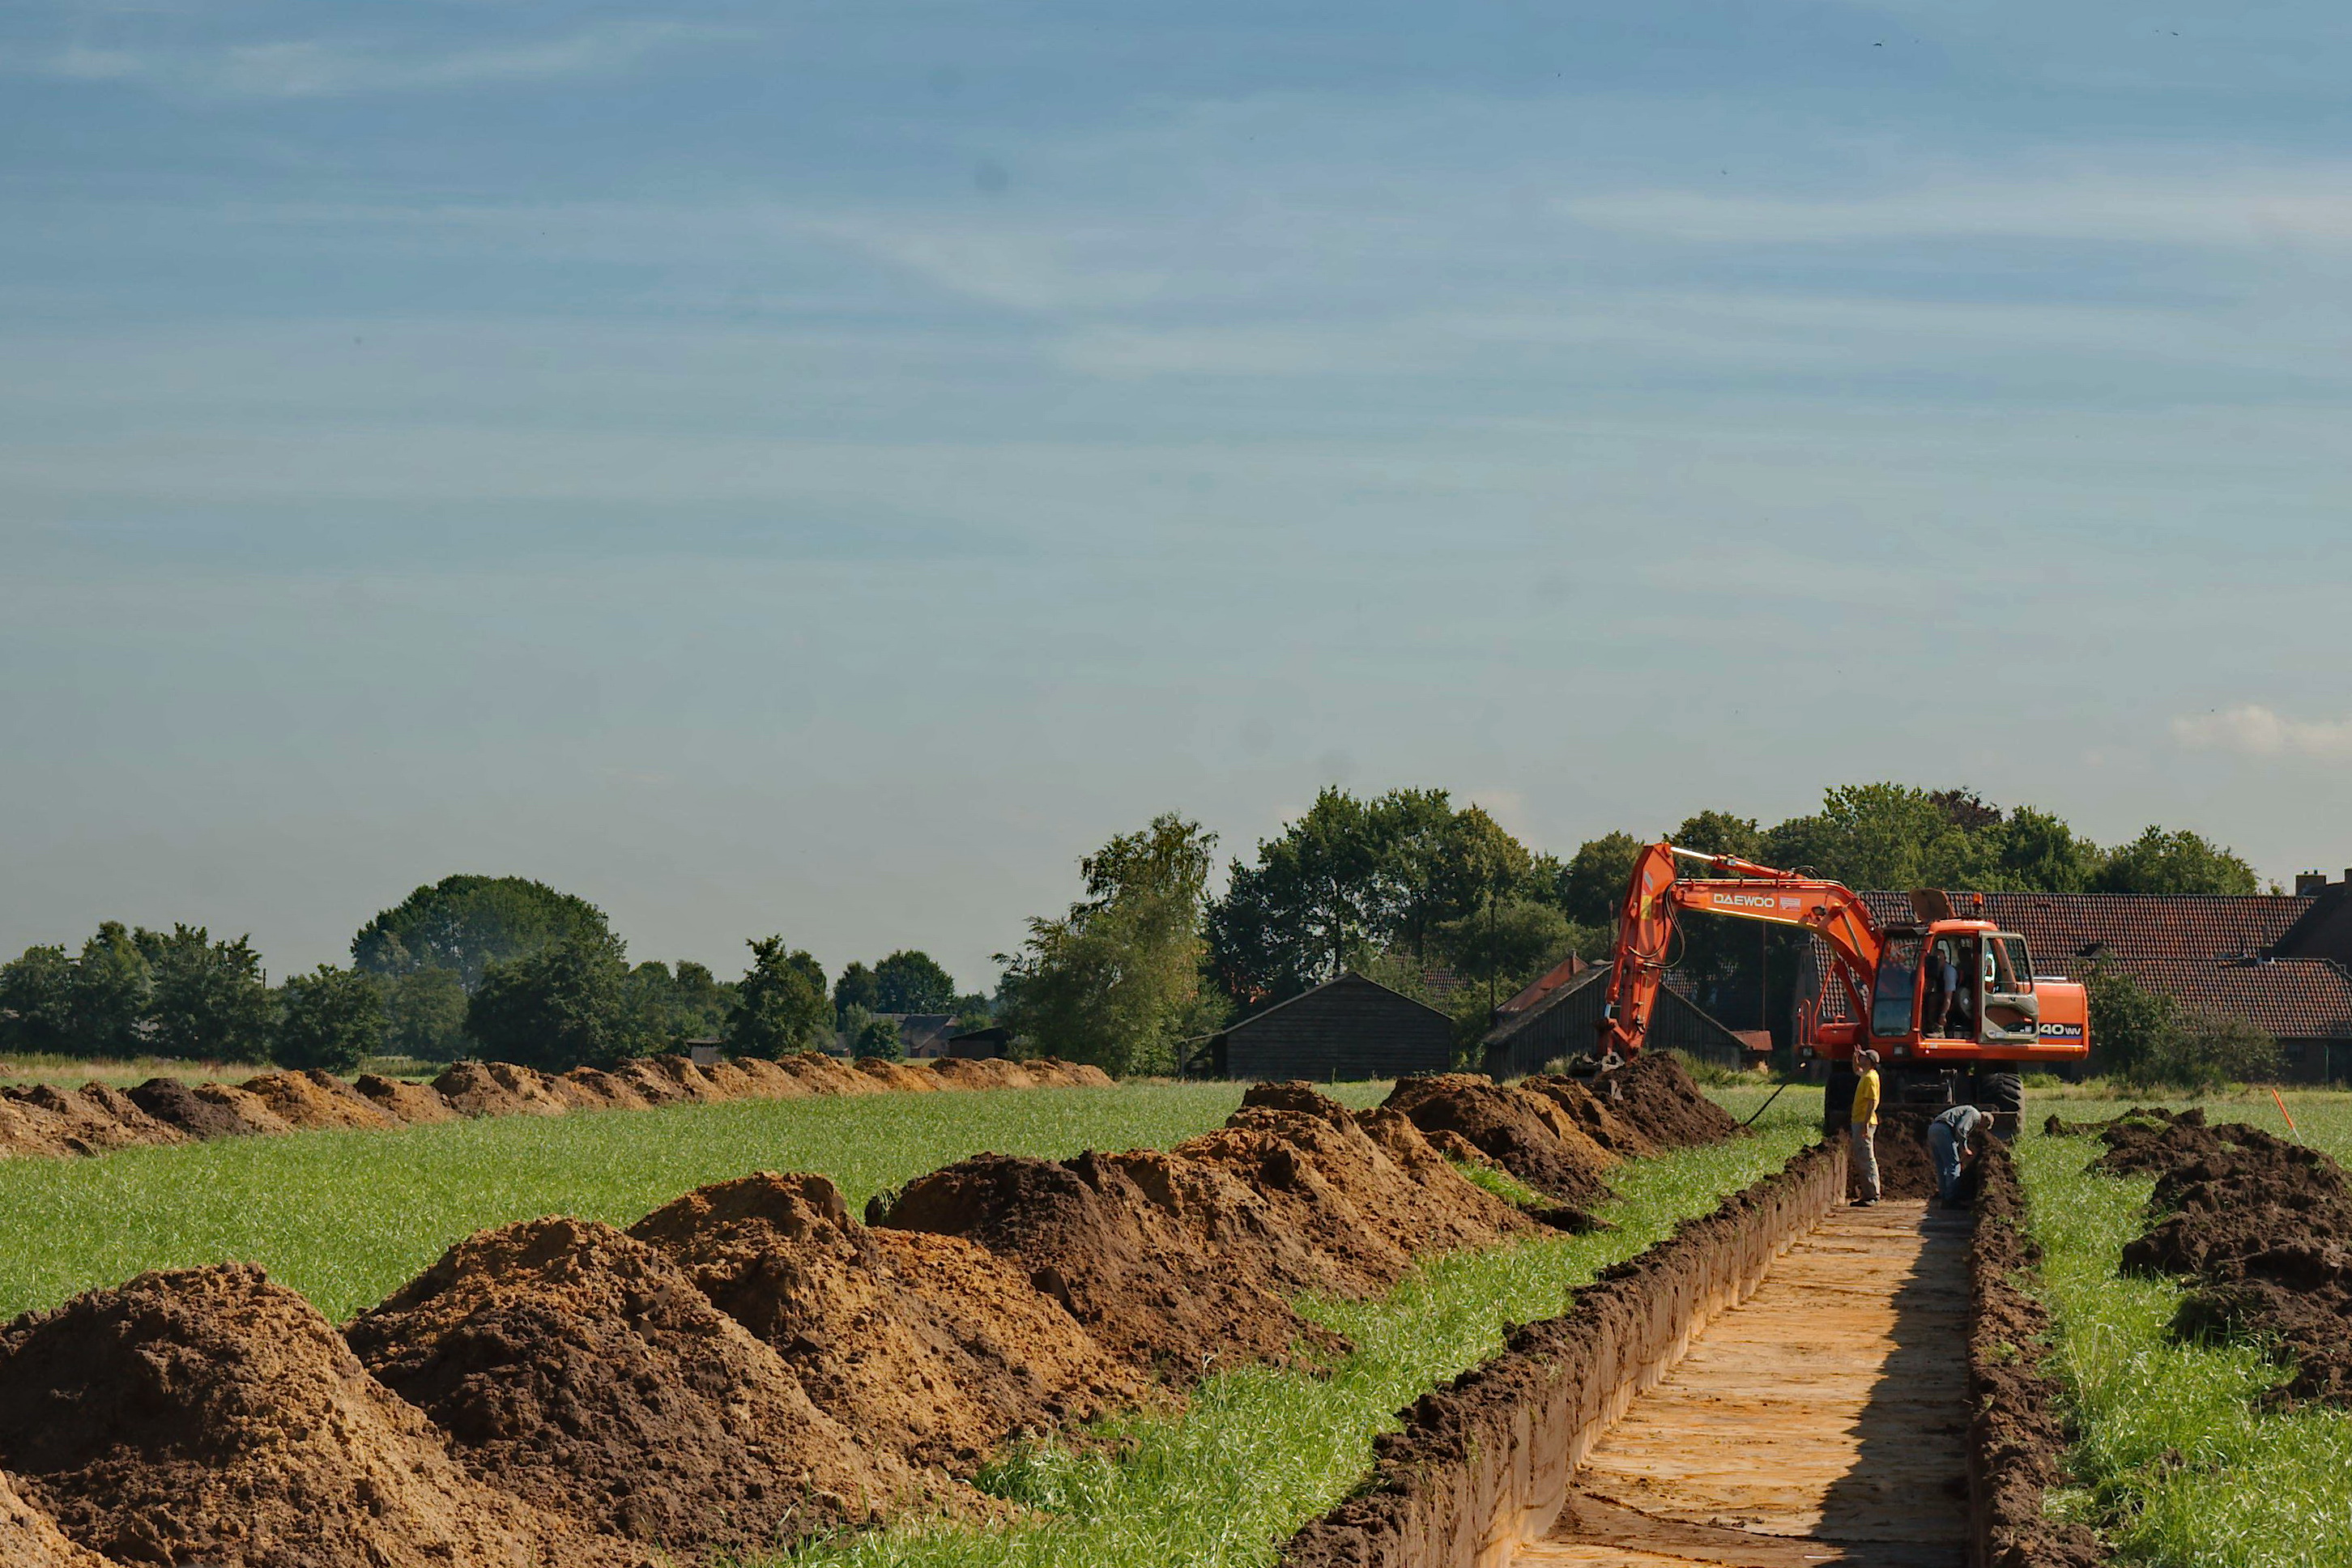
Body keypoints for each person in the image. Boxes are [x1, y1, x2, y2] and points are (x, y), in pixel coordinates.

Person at [1928, 1101, 1984, 1208]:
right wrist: (1965, 1148)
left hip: (1933, 1129)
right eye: (1983, 1127)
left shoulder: (1965, 1110)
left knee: (1942, 1167)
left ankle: (1943, 1195)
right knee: (1954, 1166)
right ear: (1984, 1121)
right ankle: (1951, 1200)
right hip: (1944, 1130)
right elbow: (1961, 1129)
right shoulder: (1975, 1114)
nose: (1978, 1129)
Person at [1849, 1048, 1882, 1207]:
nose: (1861, 1059)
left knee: (1866, 1158)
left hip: (1864, 1122)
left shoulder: (1870, 1078)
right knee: (1863, 1157)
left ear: (1869, 1061)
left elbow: (1870, 1103)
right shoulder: (1868, 1075)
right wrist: (1855, 1058)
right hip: (1862, 1121)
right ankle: (1869, 1194)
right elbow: (1857, 1070)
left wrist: (1865, 1125)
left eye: (1863, 1057)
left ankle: (1872, 1195)